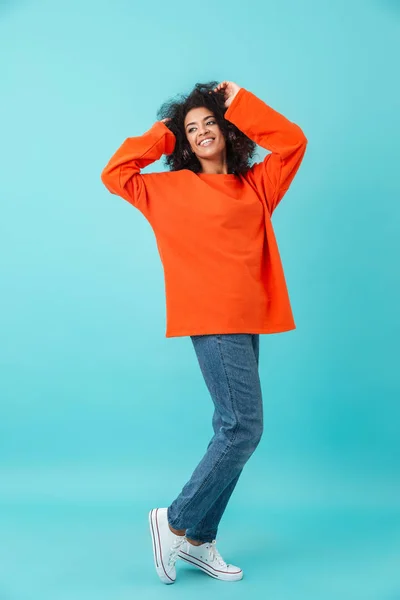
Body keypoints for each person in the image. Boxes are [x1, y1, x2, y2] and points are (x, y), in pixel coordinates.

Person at [101, 80, 308, 584]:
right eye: (191, 129)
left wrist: (238, 100)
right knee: (243, 429)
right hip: (212, 321)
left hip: (246, 318)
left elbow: (293, 142)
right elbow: (116, 172)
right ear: (185, 142)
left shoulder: (256, 185)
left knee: (231, 429)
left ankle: (198, 539)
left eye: (208, 122)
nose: (201, 132)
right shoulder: (167, 190)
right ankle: (174, 521)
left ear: (226, 130)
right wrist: (166, 134)